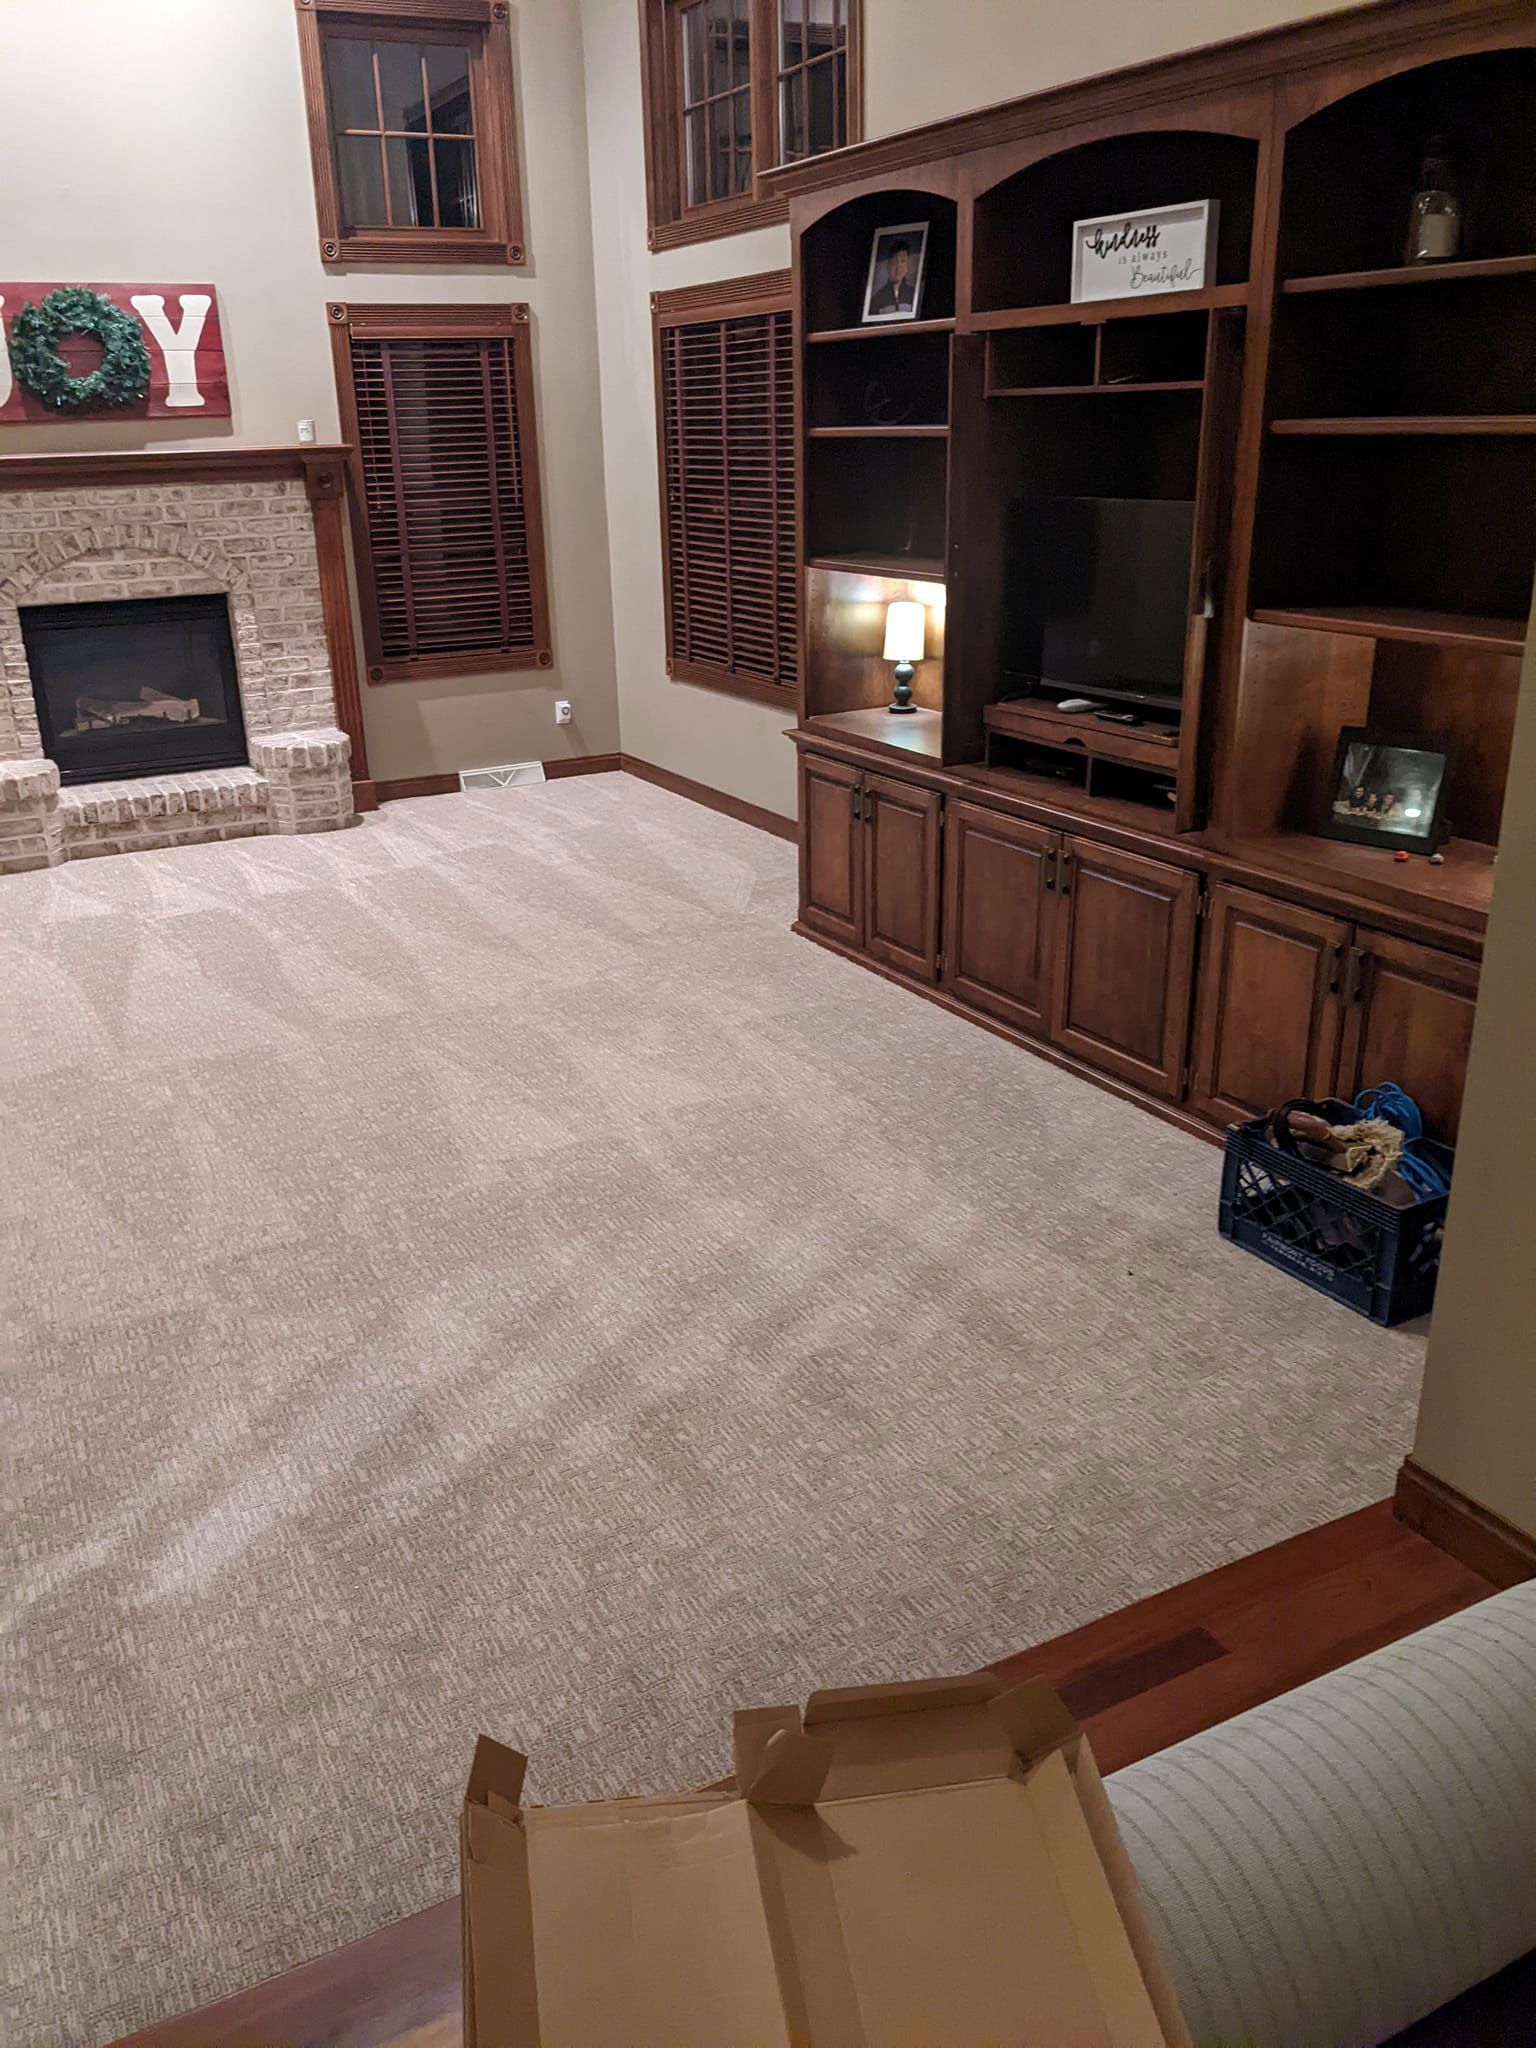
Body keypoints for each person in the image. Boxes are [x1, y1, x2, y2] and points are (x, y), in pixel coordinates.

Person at [869, 237, 917, 316]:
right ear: (888, 265)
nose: (898, 266)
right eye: (894, 262)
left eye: (902, 261)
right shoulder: (877, 298)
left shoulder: (913, 293)